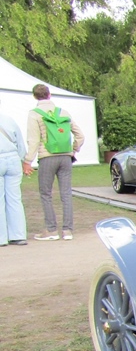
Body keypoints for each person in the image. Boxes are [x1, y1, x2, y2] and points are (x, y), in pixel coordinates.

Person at [26, 83, 84, 241]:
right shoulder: (63, 112)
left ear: (35, 97)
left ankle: (51, 229)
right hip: (66, 157)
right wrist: (73, 149)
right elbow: (80, 135)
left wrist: (28, 160)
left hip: (47, 157)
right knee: (66, 193)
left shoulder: (34, 114)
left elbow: (33, 140)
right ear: (49, 94)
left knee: (46, 193)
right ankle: (68, 230)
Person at [0, 105, 30, 246]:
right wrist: (24, 160)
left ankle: (2, 238)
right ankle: (18, 235)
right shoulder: (8, 120)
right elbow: (20, 143)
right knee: (15, 199)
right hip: (13, 159)